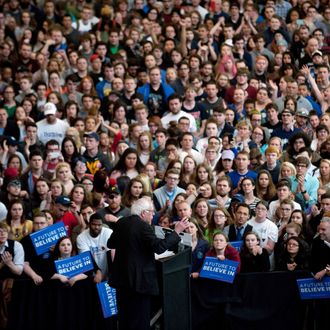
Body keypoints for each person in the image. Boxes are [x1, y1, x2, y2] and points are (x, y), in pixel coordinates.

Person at [107, 197, 189, 330]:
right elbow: (159, 247)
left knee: (124, 319)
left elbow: (111, 243)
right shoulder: (143, 226)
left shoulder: (121, 223)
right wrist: (177, 231)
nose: (153, 215)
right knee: (140, 321)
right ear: (143, 213)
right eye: (151, 212)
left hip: (122, 281)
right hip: (139, 283)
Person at [77, 213, 113, 279]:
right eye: (94, 224)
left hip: (108, 272)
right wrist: (97, 271)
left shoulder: (108, 232)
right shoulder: (81, 237)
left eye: (99, 225)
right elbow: (86, 257)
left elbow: (110, 254)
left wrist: (111, 274)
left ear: (102, 225)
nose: (97, 227)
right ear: (89, 224)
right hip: (91, 274)